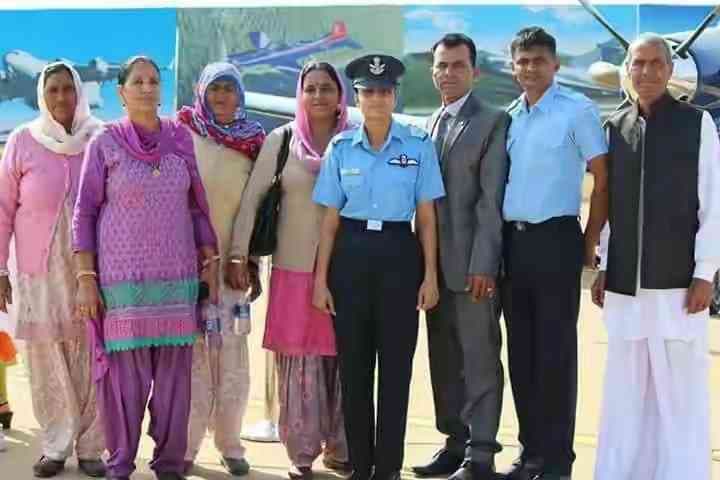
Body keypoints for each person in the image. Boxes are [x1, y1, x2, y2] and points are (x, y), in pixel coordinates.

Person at [72, 55, 218, 480]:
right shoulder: (104, 143)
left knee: (175, 382)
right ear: (121, 92)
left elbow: (195, 205)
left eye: (154, 80)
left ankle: (170, 465)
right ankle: (120, 464)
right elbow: (84, 214)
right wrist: (86, 279)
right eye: (137, 81)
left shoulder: (180, 139)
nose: (147, 88)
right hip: (123, 286)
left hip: (176, 283)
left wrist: (208, 259)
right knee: (124, 386)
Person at [591, 34, 720, 480]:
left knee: (679, 390)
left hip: (679, 283)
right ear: (627, 71)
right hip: (626, 284)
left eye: (654, 64)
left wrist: (706, 272)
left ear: (669, 71)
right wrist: (605, 265)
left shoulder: (696, 122)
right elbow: (608, 206)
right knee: (627, 390)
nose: (645, 73)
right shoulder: (615, 125)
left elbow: (713, 202)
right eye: (637, 64)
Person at [312, 54, 445, 480]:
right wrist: (321, 281)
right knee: (354, 369)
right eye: (368, 92)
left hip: (398, 255)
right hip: (350, 257)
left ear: (394, 95)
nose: (376, 99)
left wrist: (429, 276)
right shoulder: (340, 147)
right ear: (357, 96)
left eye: (384, 91)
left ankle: (387, 467)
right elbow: (329, 223)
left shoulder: (417, 144)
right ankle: (361, 466)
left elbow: (426, 218)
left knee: (396, 368)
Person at [229, 61, 351, 480]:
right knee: (299, 362)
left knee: (343, 361)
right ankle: (302, 452)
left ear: (340, 95)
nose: (318, 96)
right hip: (293, 269)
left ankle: (342, 447)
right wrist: (237, 256)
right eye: (310, 88)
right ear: (300, 95)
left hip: (348, 273)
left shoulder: (355, 141)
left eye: (326, 89)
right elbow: (251, 201)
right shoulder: (281, 142)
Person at [501, 27, 608, 480]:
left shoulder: (577, 111)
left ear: (556, 65)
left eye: (539, 60)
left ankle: (558, 460)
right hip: (513, 244)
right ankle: (530, 454)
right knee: (521, 354)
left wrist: (589, 243)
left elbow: (603, 179)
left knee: (556, 354)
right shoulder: (510, 116)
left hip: (557, 240)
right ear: (513, 66)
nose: (530, 68)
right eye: (523, 61)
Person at [0, 62, 106, 478]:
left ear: (80, 92)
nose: (62, 98)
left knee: (91, 354)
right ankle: (56, 445)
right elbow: (3, 209)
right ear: (43, 96)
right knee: (46, 358)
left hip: (89, 271)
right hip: (37, 271)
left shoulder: (99, 137)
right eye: (54, 90)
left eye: (69, 89)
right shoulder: (24, 141)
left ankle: (93, 447)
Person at [412, 34, 509, 480]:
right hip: (434, 270)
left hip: (473, 270)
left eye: (456, 65)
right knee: (444, 362)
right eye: (441, 66)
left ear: (475, 71)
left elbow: (491, 201)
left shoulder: (492, 122)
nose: (447, 73)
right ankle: (454, 443)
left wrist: (484, 264)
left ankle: (482, 454)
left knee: (480, 361)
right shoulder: (430, 123)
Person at [177, 61, 265, 476]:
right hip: (187, 266)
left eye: (229, 89)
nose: (222, 97)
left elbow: (259, 209)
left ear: (241, 94)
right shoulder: (182, 134)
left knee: (232, 357)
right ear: (202, 92)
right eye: (215, 89)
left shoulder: (255, 142)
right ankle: (186, 446)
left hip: (233, 267)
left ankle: (230, 444)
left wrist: (248, 261)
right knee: (192, 360)